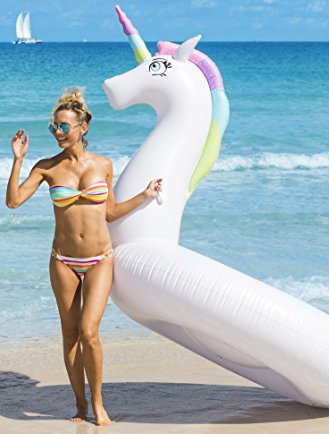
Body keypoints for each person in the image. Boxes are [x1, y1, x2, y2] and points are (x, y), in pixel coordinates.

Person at [6, 87, 162, 426]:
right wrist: (17, 159)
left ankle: (99, 403)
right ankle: (80, 404)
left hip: (99, 259)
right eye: (54, 127)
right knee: (70, 335)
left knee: (89, 331)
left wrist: (145, 195)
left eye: (64, 126)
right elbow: (14, 201)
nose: (58, 132)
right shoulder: (47, 168)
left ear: (83, 127)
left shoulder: (104, 165)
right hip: (63, 260)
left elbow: (110, 212)